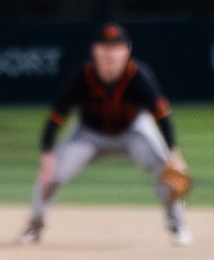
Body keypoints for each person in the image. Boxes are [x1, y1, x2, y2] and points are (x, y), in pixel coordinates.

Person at [19, 23, 191, 245]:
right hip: (89, 134)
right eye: (105, 47)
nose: (110, 53)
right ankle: (34, 226)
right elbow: (56, 116)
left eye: (116, 47)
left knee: (166, 167)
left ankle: (178, 225)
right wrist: (47, 154)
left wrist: (173, 152)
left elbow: (162, 115)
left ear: (127, 50)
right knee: (52, 174)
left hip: (132, 132)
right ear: (95, 51)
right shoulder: (83, 76)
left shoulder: (138, 75)